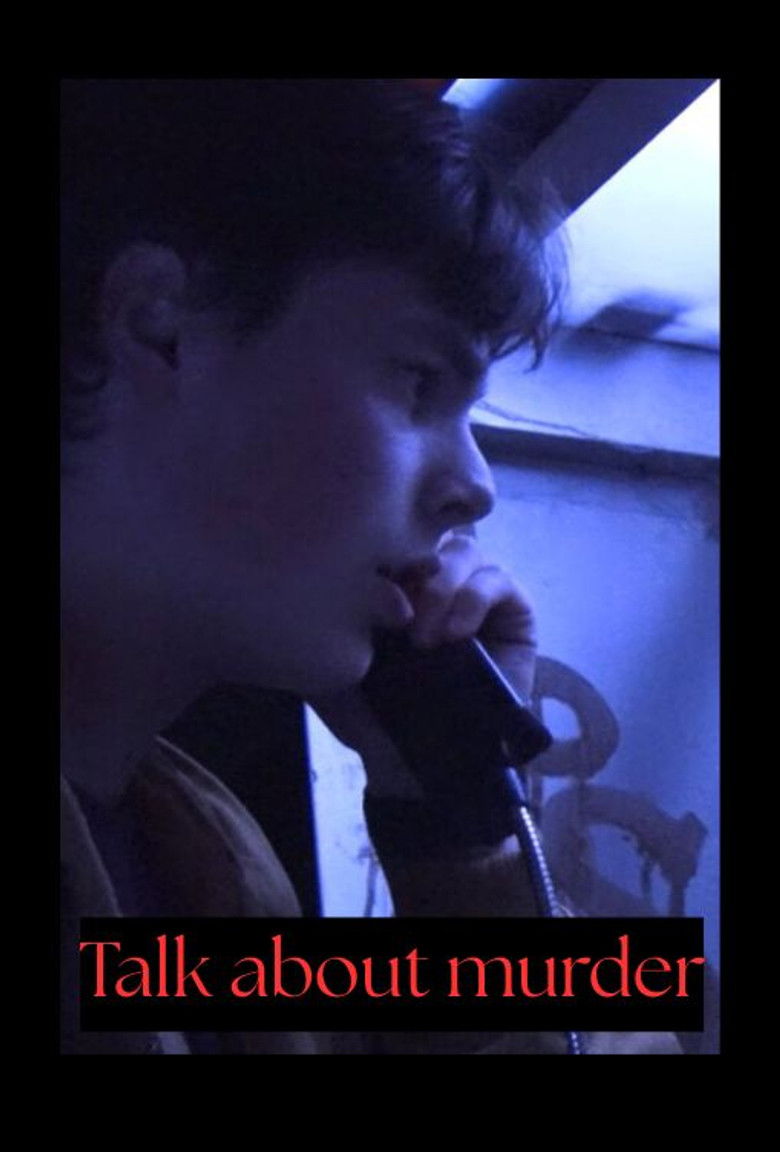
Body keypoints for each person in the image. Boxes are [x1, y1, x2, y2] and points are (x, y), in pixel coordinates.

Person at [60, 78, 681, 1054]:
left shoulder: (203, 855)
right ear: (161, 324)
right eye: (417, 380)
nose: (475, 488)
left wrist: (453, 813)